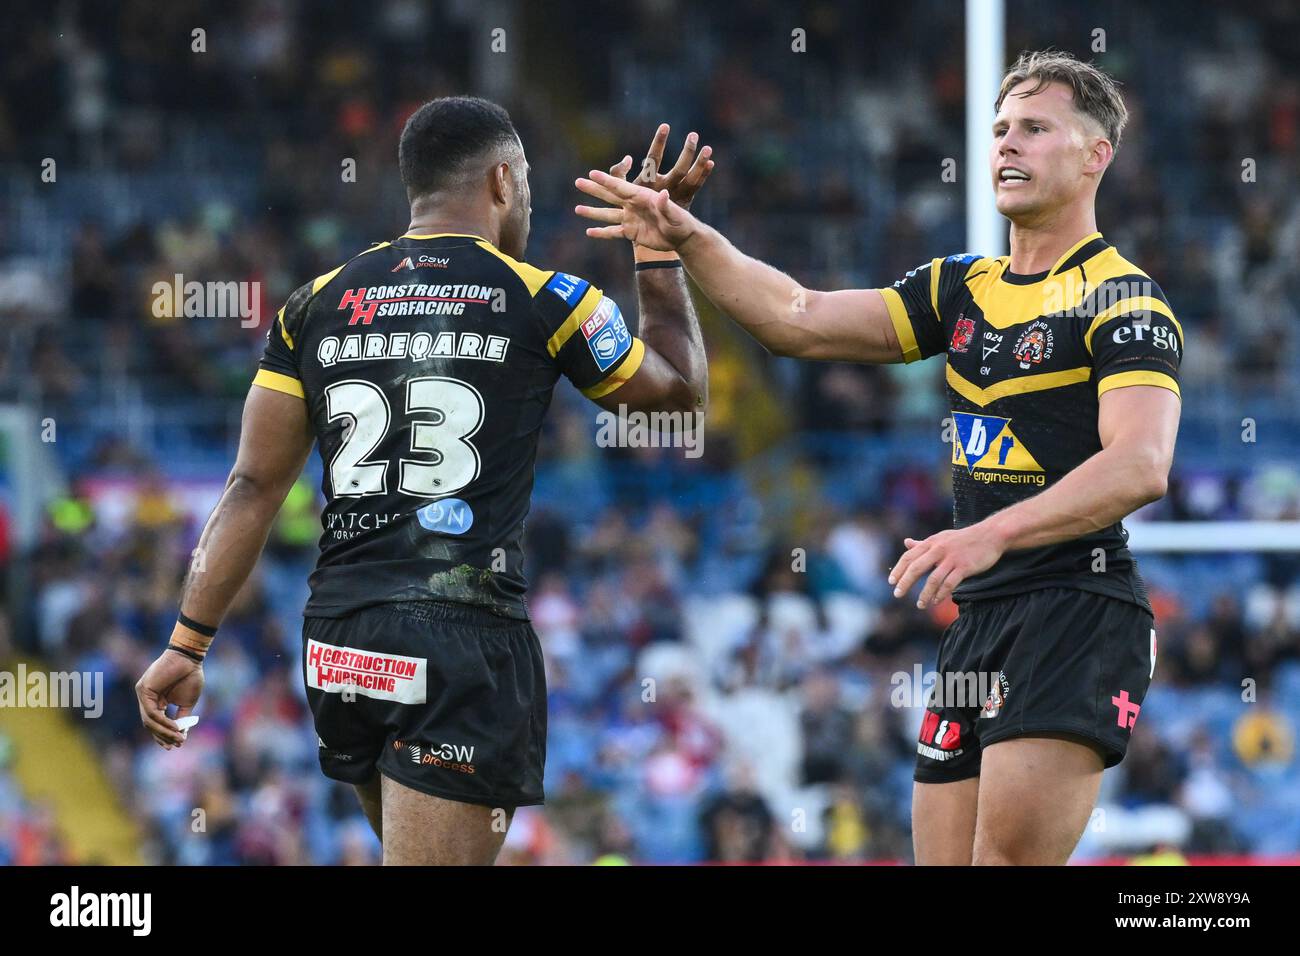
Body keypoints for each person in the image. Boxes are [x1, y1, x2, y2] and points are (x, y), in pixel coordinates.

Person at [576, 51, 1182, 865]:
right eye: (1000, 128)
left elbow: (1141, 463)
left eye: (1036, 129)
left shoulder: (1123, 297)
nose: (1008, 145)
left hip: (1076, 608)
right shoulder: (963, 287)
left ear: (1094, 155)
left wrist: (991, 533)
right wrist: (684, 235)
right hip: (981, 621)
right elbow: (798, 318)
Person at [136, 97, 712, 865]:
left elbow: (251, 487)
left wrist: (188, 642)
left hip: (340, 641)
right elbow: (680, 392)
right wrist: (655, 249)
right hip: (460, 640)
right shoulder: (551, 298)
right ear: (502, 181)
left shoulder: (315, 304)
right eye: (529, 185)